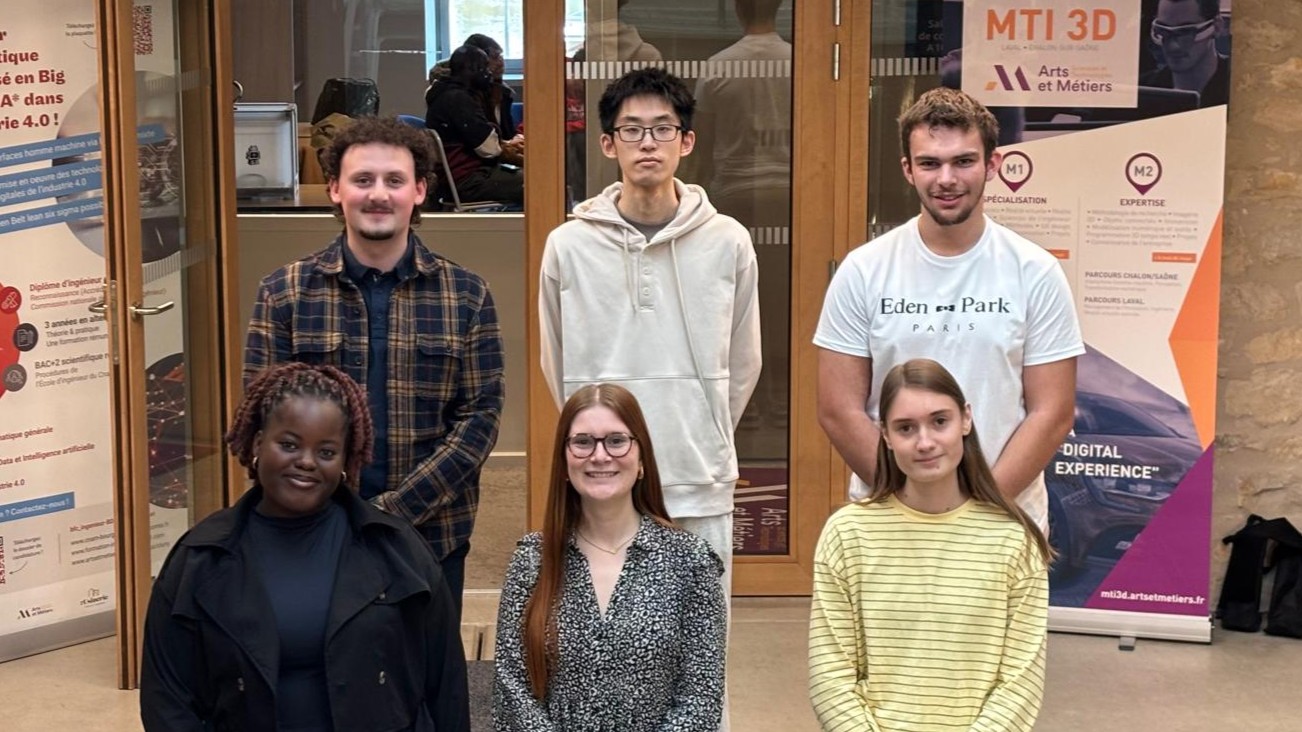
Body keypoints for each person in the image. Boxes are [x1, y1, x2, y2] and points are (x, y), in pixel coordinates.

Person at [244, 116, 505, 623]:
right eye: (362, 180)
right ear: (336, 190)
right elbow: (259, 421)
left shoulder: (467, 296)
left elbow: (480, 419)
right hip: (310, 532)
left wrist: (394, 512)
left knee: (427, 686)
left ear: (421, 191)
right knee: (316, 681)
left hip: (432, 534)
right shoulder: (284, 293)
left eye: (394, 181)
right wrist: (335, 509)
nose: (378, 195)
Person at [140, 363, 470, 731]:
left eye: (326, 452)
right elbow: (166, 699)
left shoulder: (398, 552)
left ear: (346, 460)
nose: (307, 462)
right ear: (257, 443)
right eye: (289, 445)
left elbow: (447, 689)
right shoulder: (199, 559)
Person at [540, 66, 761, 611]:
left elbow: (744, 360)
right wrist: (596, 447)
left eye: (662, 129)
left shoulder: (728, 241)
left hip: (697, 474)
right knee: (602, 646)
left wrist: (700, 425)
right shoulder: (567, 246)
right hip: (600, 477)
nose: (647, 143)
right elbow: (556, 362)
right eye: (632, 129)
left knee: (701, 651)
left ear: (686, 141)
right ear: (608, 142)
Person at [814, 87, 1082, 531]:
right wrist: (908, 503)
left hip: (1003, 521)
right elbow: (838, 409)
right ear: (907, 169)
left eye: (963, 161)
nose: (946, 179)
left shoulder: (1035, 271)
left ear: (992, 164)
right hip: (890, 521)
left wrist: (978, 510)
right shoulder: (864, 270)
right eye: (929, 163)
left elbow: (1051, 412)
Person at [808, 358, 1051, 731]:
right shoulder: (848, 534)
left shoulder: (1013, 540)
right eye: (906, 428)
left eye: (940, 421)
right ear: (885, 436)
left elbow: (1020, 683)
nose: (925, 442)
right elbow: (831, 674)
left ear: (966, 420)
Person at [494, 383, 727, 731]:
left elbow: (701, 697)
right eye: (582, 442)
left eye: (616, 440)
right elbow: (512, 690)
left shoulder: (691, 563)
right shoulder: (532, 561)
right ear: (563, 462)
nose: (600, 456)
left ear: (641, 457)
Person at [426, 44, 524, 205]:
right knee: (539, 183)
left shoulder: (444, 93)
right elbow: (489, 149)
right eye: (485, 68)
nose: (489, 73)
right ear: (472, 70)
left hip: (464, 178)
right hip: (469, 181)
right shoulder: (459, 100)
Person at [427, 33, 521, 144]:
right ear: (475, 62)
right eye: (495, 57)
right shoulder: (457, 97)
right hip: (472, 156)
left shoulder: (502, 92)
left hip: (494, 152)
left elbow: (507, 134)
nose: (501, 62)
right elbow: (482, 143)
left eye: (501, 56)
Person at [1141, 0, 1230, 107]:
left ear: (1217, 27)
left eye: (1186, 32)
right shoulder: (1143, 91)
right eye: (1163, 31)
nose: (1173, 46)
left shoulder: (1241, 84)